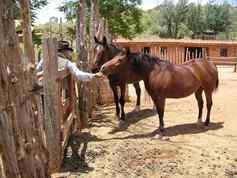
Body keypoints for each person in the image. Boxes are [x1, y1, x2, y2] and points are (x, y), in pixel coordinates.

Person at [36, 40, 103, 82]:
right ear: (65, 52)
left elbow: (36, 71)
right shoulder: (67, 63)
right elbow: (79, 74)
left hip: (40, 90)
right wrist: (94, 75)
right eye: (68, 51)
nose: (70, 53)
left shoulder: (44, 59)